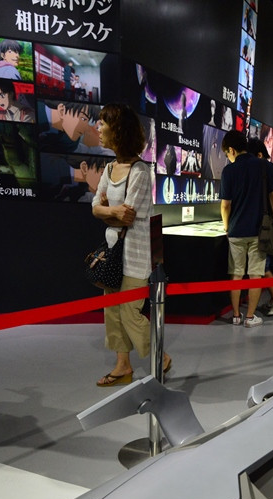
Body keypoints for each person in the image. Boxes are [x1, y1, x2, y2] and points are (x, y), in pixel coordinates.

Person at [91, 102, 170, 387]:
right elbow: (95, 206)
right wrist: (110, 211)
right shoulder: (110, 167)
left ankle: (160, 356)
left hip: (136, 255)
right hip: (114, 253)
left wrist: (106, 211)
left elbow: (128, 216)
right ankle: (122, 365)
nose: (98, 128)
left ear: (118, 130)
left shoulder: (139, 170)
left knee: (129, 311)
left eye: (103, 123)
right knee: (112, 311)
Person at [221, 129, 273, 327]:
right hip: (259, 230)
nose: (228, 157)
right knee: (255, 274)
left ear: (232, 150)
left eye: (227, 153)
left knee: (236, 274)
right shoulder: (263, 165)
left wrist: (227, 227)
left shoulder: (229, 171)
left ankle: (236, 315)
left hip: (236, 230)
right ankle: (250, 317)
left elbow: (225, 205)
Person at [247, 137, 273, 316]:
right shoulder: (272, 168)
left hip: (267, 224)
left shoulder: (262, 167)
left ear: (258, 155)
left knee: (263, 266)